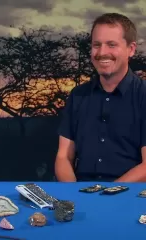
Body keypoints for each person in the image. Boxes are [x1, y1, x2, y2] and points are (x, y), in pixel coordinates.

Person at [55, 13, 146, 182]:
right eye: (97, 45)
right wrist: (74, 195)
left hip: (131, 198)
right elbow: (63, 158)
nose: (102, 52)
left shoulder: (143, 95)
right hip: (81, 194)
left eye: (111, 45)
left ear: (131, 49)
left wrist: (107, 195)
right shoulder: (78, 95)